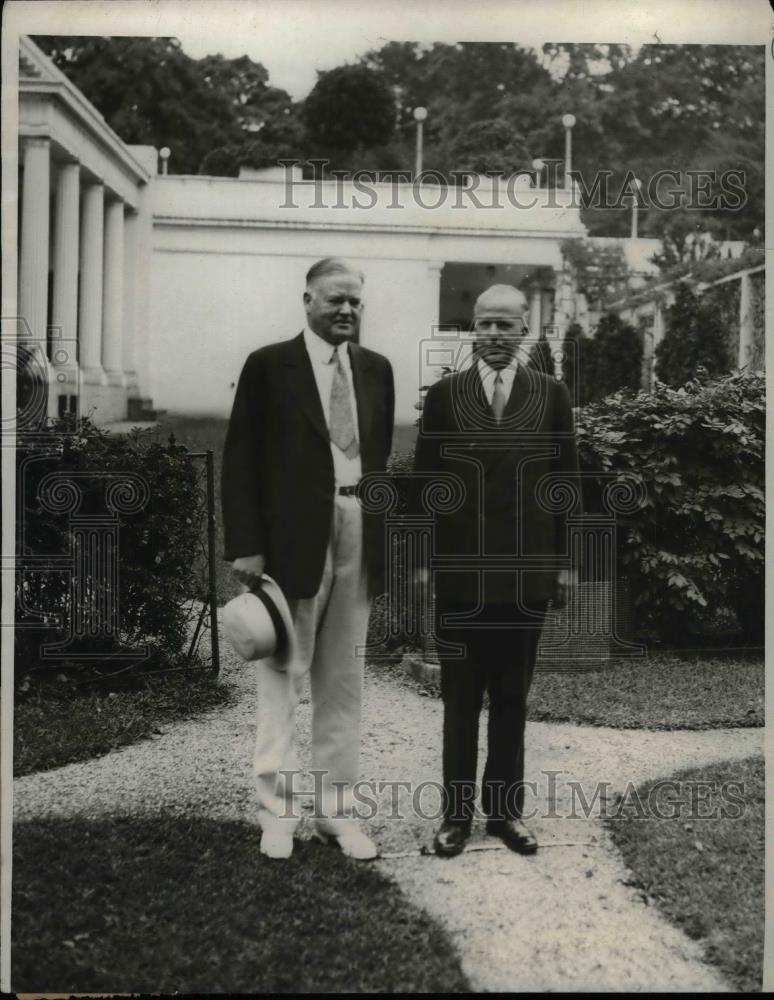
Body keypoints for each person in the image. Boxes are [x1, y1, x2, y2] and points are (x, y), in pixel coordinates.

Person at [222, 257, 394, 860]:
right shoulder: (270, 365)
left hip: (359, 529)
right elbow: (239, 457)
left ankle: (336, 815)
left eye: (354, 301)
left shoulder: (377, 370)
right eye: (333, 300)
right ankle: (278, 815)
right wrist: (247, 544)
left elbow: (377, 460)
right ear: (307, 300)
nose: (345, 310)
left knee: (343, 683)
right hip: (294, 538)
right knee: (283, 675)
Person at [412, 284, 580, 857]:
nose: (493, 335)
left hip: (527, 574)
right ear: (473, 330)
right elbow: (426, 486)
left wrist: (563, 565)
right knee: (460, 699)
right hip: (461, 576)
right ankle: (455, 817)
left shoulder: (551, 395)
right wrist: (424, 564)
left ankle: (504, 814)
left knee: (512, 697)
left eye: (506, 325)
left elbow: (566, 484)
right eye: (484, 324)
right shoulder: (444, 396)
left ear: (525, 329)